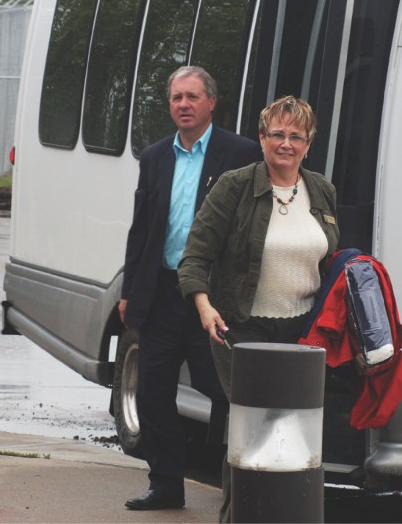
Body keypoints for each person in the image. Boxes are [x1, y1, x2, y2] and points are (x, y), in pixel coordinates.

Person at [177, 95, 340, 522]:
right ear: (262, 138)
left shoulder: (322, 189)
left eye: (296, 136)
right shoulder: (235, 185)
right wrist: (204, 306)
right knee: (255, 431)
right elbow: (194, 256)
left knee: (298, 436)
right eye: (277, 134)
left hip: (303, 334)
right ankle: (237, 517)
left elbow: (330, 259)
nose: (286, 144)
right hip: (243, 330)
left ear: (308, 143)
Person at [119, 65, 262, 511]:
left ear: (211, 102)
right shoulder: (155, 156)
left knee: (221, 388)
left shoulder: (241, 153)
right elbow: (141, 229)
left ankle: (239, 487)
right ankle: (165, 485)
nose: (183, 105)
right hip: (162, 292)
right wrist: (129, 289)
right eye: (176, 98)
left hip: (213, 299)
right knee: (152, 392)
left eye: (192, 97)